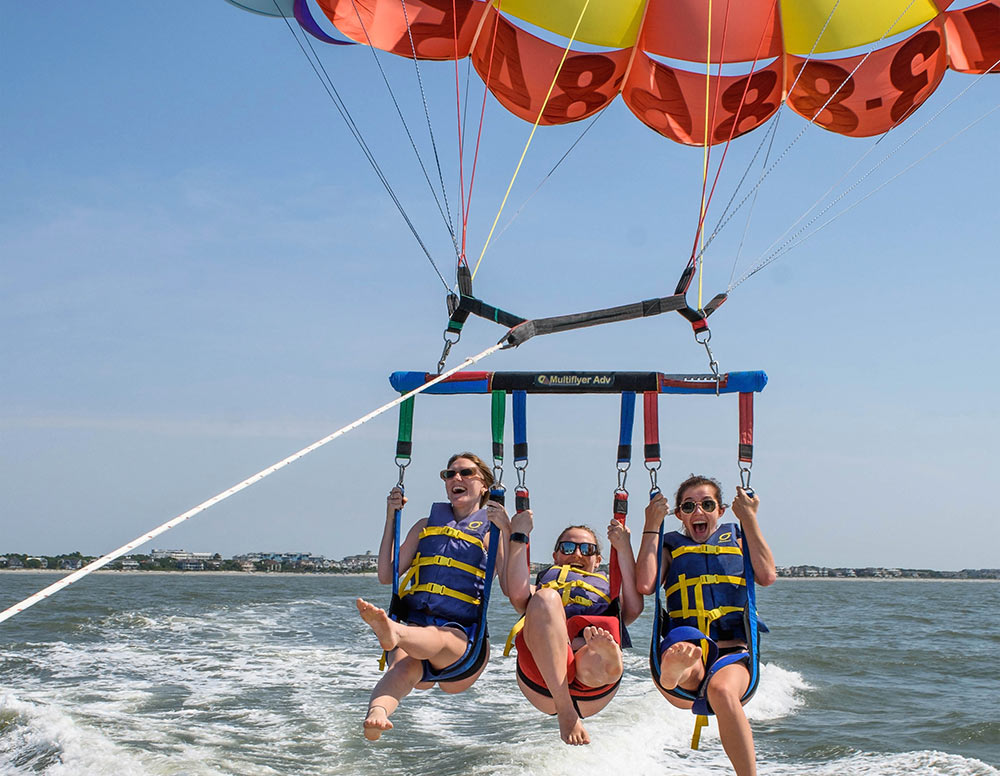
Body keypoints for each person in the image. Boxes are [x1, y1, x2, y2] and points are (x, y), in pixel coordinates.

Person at [356, 452, 510, 740]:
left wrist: (509, 529)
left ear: (485, 485)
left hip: (462, 644)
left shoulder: (491, 532)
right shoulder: (425, 525)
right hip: (415, 627)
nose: (456, 478)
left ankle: (394, 633)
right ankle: (378, 713)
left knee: (437, 639)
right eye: (449, 474)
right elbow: (386, 575)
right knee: (406, 667)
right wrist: (391, 517)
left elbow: (510, 586)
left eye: (465, 473)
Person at [636, 475, 777, 776]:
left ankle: (676, 673)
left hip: (732, 655)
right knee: (688, 656)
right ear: (679, 515)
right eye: (689, 506)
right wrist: (652, 525)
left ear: (721, 511)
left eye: (707, 504)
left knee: (722, 691)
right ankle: (676, 671)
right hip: (689, 643)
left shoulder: (738, 537)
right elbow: (646, 584)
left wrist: (749, 518)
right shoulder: (670, 546)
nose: (698, 511)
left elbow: (766, 575)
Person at [505, 511, 643, 746]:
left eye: (587, 549)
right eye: (568, 548)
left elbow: (635, 607)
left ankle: (607, 656)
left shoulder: (609, 590)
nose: (577, 554)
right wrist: (519, 534)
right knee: (546, 598)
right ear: (556, 556)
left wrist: (624, 547)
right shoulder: (539, 586)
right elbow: (516, 593)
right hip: (542, 680)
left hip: (592, 679)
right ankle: (567, 709)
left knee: (598, 648)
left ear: (598, 560)